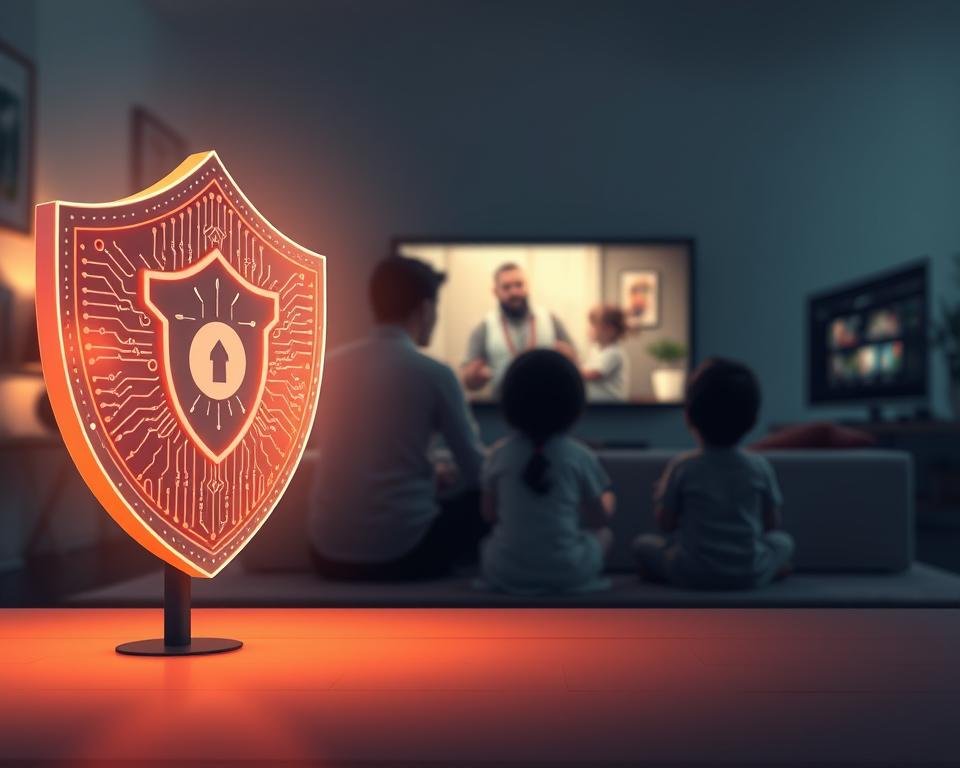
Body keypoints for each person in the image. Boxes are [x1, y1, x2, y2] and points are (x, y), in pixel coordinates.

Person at [308, 255, 486, 580]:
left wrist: (427, 474)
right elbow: (477, 472)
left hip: (326, 555)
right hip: (406, 553)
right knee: (489, 495)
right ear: (425, 308)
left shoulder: (329, 367)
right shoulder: (436, 373)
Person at [633, 358, 794, 590]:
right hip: (748, 572)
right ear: (752, 421)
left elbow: (665, 525)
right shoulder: (759, 467)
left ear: (689, 416)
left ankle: (662, 574)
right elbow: (772, 525)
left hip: (691, 572)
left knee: (642, 545)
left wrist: (661, 497)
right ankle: (771, 571)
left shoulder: (682, 466)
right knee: (783, 542)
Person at [480, 349, 615, 594]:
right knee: (603, 535)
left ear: (508, 403)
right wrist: (608, 499)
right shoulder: (580, 455)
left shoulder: (497, 454)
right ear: (575, 405)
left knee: (488, 544)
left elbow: (488, 515)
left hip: (505, 570)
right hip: (568, 570)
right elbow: (599, 519)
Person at [461, 262, 577, 395]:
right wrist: (473, 375)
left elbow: (575, 363)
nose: (514, 292)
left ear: (527, 287)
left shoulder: (550, 320)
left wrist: (569, 357)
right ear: (495, 291)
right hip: (503, 410)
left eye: (519, 285)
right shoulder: (484, 328)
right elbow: (469, 382)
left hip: (548, 406)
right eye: (506, 287)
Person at [581, 305, 630, 402]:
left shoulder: (614, 353)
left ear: (609, 330)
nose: (588, 329)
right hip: (596, 404)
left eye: (593, 326)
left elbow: (593, 374)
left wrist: (570, 365)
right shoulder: (595, 350)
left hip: (610, 405)